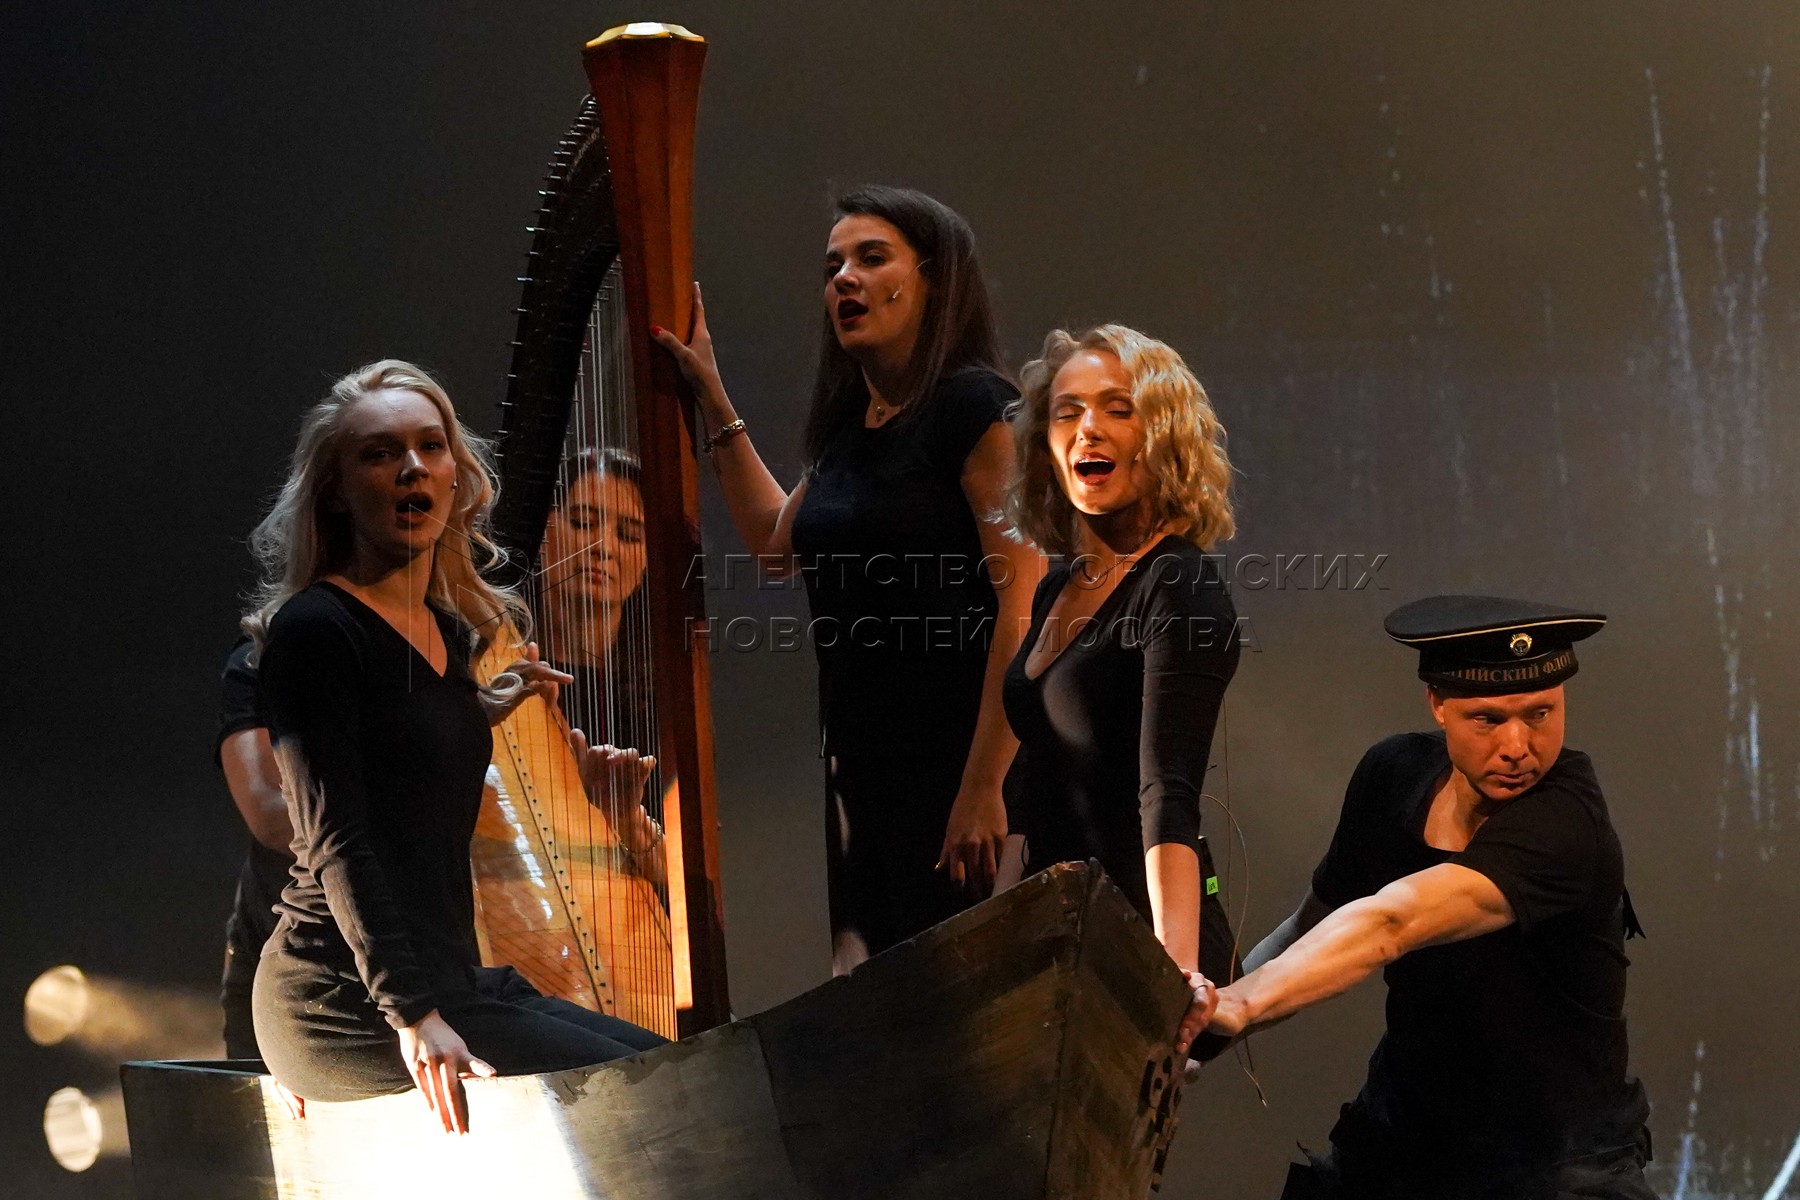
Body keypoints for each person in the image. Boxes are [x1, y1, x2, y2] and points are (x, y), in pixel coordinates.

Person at [245, 359, 669, 1134]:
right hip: (346, 999)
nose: (411, 467)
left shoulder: (445, 631)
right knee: (649, 1106)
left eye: (429, 446)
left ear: (454, 474)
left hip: (451, 980)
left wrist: (473, 711)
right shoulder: (316, 630)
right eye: (380, 453)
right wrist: (412, 1015)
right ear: (336, 490)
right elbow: (337, 840)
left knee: (678, 1066)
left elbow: (401, 753)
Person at [655, 186, 1041, 967]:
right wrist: (713, 399)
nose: (844, 280)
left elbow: (1023, 606)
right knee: (879, 1001)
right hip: (862, 773)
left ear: (933, 279)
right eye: (833, 266)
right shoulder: (849, 428)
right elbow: (776, 543)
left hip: (957, 767)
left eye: (871, 258)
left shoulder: (976, 407)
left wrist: (983, 787)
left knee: (963, 994)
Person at [1177, 596, 1652, 1199]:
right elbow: (1311, 928)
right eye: (1487, 719)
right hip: (1405, 1135)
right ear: (1438, 705)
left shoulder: (1565, 822)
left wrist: (1241, 1005)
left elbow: (1392, 921)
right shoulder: (1392, 773)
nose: (1518, 745)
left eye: (1540, 714)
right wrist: (1205, 1027)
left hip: (1552, 1163)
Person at [998, 324, 1240, 993]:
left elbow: (1167, 795)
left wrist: (1173, 977)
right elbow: (1033, 785)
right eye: (1067, 412)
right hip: (1058, 938)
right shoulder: (1057, 586)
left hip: (1140, 939)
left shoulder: (1176, 584)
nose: (1088, 429)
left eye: (1118, 408)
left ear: (1163, 436)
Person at [213, 636, 291, 1061]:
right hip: (285, 947)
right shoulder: (259, 656)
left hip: (417, 948)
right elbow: (271, 820)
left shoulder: (435, 638)